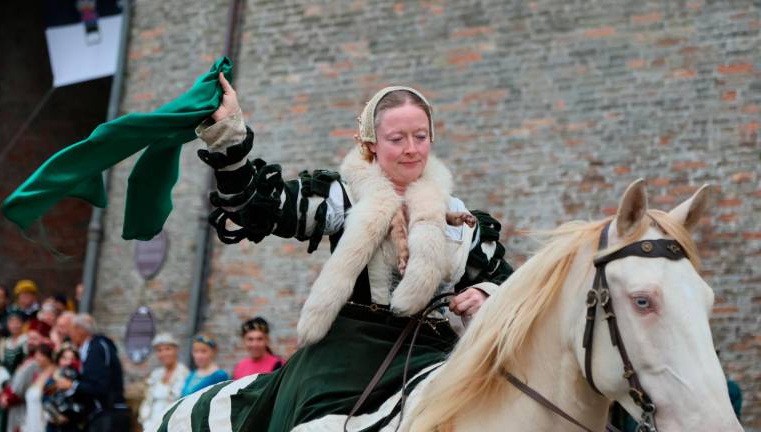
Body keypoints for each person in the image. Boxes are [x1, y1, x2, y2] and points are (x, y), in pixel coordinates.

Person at [162, 78, 514, 430]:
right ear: (371, 143)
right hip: (348, 353)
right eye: (397, 139)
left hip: (433, 350)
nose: (411, 149)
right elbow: (259, 206)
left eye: (420, 136)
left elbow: (511, 285)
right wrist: (229, 135)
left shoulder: (461, 218)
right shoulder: (341, 197)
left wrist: (484, 293)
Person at [54, 314, 129, 432]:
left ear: (80, 330)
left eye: (72, 330)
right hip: (104, 415)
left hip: (108, 414)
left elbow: (99, 386)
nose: (70, 334)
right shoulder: (93, 347)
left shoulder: (97, 349)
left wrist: (71, 385)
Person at [138, 333, 188, 430]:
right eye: (159, 350)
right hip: (150, 422)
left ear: (176, 350)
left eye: (167, 349)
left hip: (172, 422)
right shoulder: (156, 374)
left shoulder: (184, 373)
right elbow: (147, 399)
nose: (163, 353)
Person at [43, 344, 84, 432]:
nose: (68, 363)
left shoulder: (80, 381)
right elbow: (46, 400)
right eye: (64, 359)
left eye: (72, 359)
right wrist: (56, 416)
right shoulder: (53, 379)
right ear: (59, 360)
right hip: (54, 425)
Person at [23, 342, 56, 432]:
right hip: (31, 421)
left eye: (41, 355)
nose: (37, 358)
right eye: (36, 355)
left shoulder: (54, 375)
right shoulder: (38, 373)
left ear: (49, 357)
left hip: (43, 423)